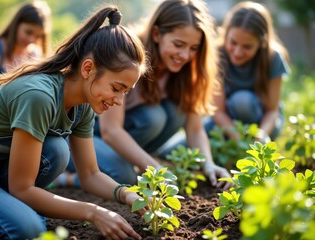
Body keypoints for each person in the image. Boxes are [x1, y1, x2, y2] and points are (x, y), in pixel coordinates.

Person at [0, 6, 147, 240]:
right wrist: (93, 212)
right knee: (30, 230)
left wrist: (128, 195)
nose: (119, 101)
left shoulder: (83, 105)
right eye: (116, 88)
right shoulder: (39, 96)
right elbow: (22, 189)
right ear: (88, 68)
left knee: (56, 150)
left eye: (126, 92)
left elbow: (90, 174)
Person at [57, 0, 232, 190]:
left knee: (175, 112)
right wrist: (155, 168)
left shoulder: (187, 70)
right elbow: (111, 131)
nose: (185, 55)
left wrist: (208, 164)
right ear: (157, 34)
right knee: (126, 174)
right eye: (178, 44)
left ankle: (130, 164)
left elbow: (195, 128)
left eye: (193, 48)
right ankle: (64, 178)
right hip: (88, 135)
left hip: (121, 139)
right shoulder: (131, 57)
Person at [204, 1, 290, 143]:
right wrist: (240, 141)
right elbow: (218, 112)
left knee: (242, 101)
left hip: (264, 124)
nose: (237, 52)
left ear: (262, 42)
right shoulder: (217, 55)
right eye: (233, 42)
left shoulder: (273, 58)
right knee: (173, 148)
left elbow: (272, 111)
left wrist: (260, 136)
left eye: (247, 47)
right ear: (226, 34)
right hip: (225, 123)